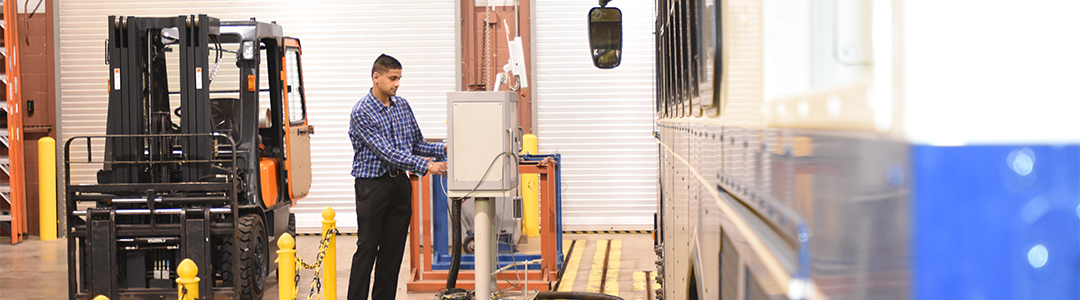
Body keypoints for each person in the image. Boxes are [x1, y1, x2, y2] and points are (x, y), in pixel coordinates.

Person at [347, 54, 447, 300]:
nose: (397, 84)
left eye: (399, 78)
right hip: (372, 186)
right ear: (376, 77)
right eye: (392, 78)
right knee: (368, 248)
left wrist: (445, 148)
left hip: (399, 185)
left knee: (392, 252)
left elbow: (414, 144)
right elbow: (388, 153)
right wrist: (427, 166)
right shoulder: (362, 112)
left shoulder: (402, 105)